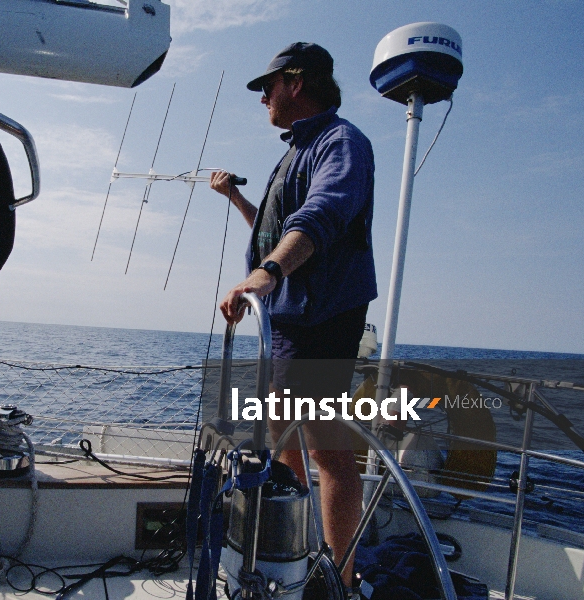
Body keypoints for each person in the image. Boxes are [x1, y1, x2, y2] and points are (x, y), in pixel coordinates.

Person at [209, 42, 377, 592]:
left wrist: (266, 274)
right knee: (286, 437)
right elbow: (280, 232)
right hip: (287, 322)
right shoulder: (298, 151)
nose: (262, 97)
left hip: (320, 318)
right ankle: (311, 555)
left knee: (326, 447)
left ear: (296, 82)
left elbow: (322, 215)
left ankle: (341, 581)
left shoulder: (342, 142)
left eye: (268, 85)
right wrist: (237, 200)